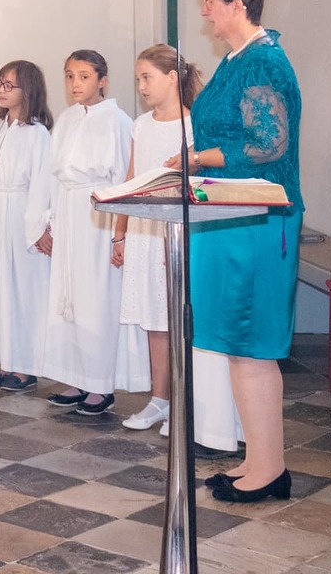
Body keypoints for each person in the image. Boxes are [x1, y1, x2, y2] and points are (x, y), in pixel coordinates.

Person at [171, 0, 302, 503]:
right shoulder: (236, 59)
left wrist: (200, 158)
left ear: (237, 5)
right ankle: (259, 460)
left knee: (251, 345)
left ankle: (269, 470)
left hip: (258, 218)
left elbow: (270, 144)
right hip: (231, 215)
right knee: (238, 345)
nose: (205, 11)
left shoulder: (263, 62)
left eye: (210, 1)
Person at [40, 50, 143, 416]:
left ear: (103, 81)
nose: (75, 84)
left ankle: (100, 385)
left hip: (98, 217)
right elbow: (54, 176)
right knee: (68, 297)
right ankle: (76, 377)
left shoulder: (118, 121)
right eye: (69, 76)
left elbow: (125, 179)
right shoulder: (66, 119)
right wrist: (50, 221)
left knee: (97, 299)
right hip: (69, 214)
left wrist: (119, 232)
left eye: (84, 76)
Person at [111, 45, 201, 432]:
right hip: (144, 231)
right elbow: (131, 179)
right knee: (153, 317)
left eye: (147, 77)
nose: (142, 86)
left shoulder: (192, 126)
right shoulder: (141, 125)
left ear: (172, 77)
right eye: (138, 79)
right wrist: (119, 233)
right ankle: (160, 399)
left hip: (176, 232)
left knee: (177, 315)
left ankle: (185, 401)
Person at [0, 60, 54, 392]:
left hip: (22, 214)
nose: (2, 90)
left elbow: (42, 182)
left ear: (28, 90)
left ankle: (25, 367)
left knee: (23, 290)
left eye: (10, 85)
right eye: (0, 83)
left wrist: (37, 227)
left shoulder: (37, 133)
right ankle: (5, 361)